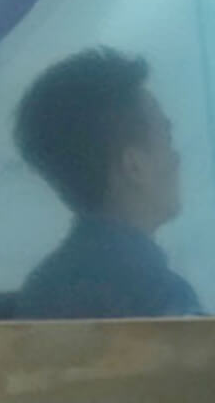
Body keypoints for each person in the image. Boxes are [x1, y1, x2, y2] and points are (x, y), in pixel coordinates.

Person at [14, 47, 202, 319]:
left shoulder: (40, 288)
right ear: (134, 166)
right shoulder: (162, 298)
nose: (176, 159)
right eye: (167, 139)